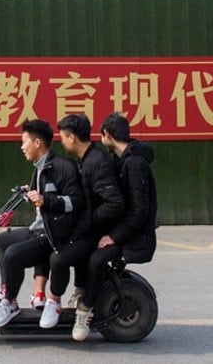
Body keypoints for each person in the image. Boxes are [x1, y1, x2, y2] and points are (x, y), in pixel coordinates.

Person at [0, 119, 85, 329]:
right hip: (39, 230)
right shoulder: (39, 168)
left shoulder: (63, 168)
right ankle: (7, 291)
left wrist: (46, 200)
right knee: (4, 240)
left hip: (53, 236)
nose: (22, 147)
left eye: (25, 142)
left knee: (14, 255)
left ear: (37, 143)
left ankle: (13, 304)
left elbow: (76, 202)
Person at [72, 112, 158, 342]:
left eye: (102, 135)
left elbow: (140, 211)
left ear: (107, 135)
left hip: (135, 236)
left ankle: (85, 310)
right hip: (124, 230)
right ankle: (82, 292)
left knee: (97, 259)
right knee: (83, 245)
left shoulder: (135, 164)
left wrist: (114, 237)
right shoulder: (120, 160)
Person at [46, 114, 126, 341]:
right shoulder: (85, 160)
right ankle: (80, 292)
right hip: (88, 229)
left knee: (60, 259)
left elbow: (114, 203)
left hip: (98, 232)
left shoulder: (97, 162)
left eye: (62, 137)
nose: (61, 142)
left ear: (71, 137)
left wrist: (90, 220)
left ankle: (85, 309)